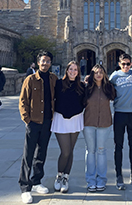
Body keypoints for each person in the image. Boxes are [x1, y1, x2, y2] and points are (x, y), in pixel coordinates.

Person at [18, 50, 57, 204]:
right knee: (28, 155)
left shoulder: (53, 78)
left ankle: (36, 181)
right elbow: (23, 100)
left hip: (47, 121)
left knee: (41, 153)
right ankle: (25, 187)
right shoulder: (31, 79)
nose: (45, 63)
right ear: (38, 62)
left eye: (48, 61)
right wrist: (27, 119)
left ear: (50, 63)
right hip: (34, 121)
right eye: (43, 61)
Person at [109, 53, 132, 190]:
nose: (126, 66)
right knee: (118, 146)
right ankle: (119, 175)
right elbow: (105, 87)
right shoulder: (114, 76)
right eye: (123, 64)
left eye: (128, 64)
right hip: (119, 114)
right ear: (119, 64)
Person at [51, 61, 85, 193]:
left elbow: (86, 100)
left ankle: (66, 177)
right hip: (60, 119)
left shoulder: (82, 86)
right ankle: (59, 176)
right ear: (67, 70)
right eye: (71, 69)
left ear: (78, 72)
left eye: (75, 70)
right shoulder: (59, 84)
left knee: (70, 151)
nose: (73, 72)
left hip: (76, 119)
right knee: (65, 151)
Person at [83, 64, 116, 192]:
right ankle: (90, 180)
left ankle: (101, 179)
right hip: (88, 123)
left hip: (104, 123)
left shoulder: (108, 87)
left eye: (101, 72)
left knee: (101, 150)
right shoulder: (87, 88)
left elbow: (116, 96)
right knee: (90, 151)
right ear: (92, 74)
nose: (98, 75)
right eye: (96, 72)